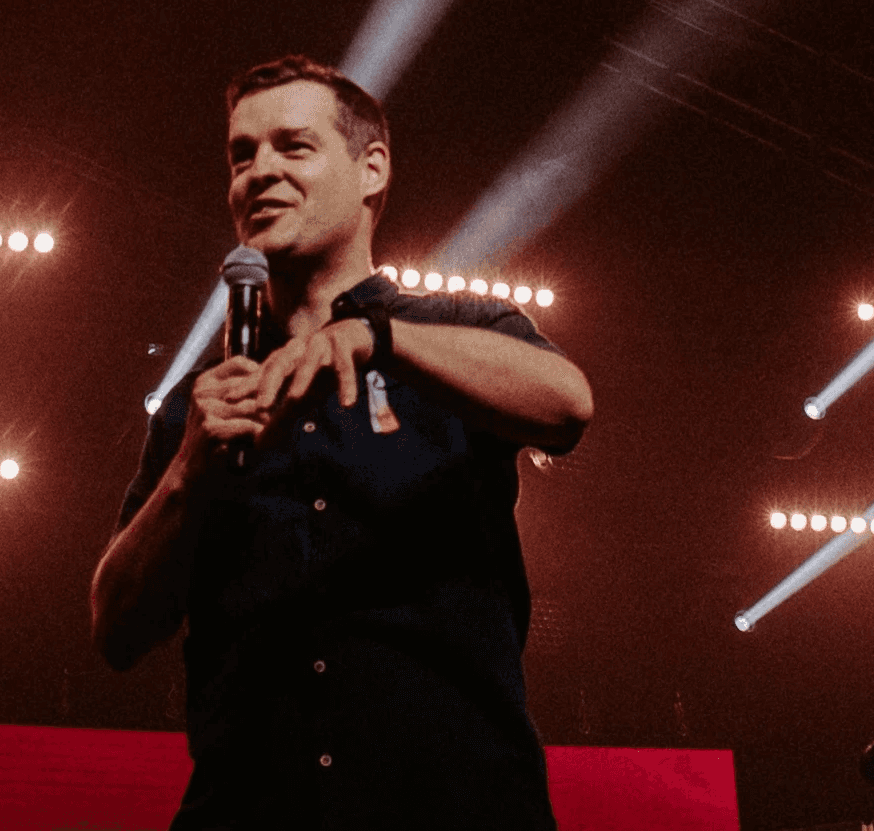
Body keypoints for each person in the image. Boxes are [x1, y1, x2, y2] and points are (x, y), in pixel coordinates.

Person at [90, 56, 593, 830]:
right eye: (241, 154)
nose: (258, 172)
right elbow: (116, 630)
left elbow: (567, 404)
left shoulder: (459, 334)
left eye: (293, 146)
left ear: (371, 170)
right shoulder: (204, 401)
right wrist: (190, 470)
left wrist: (379, 338)